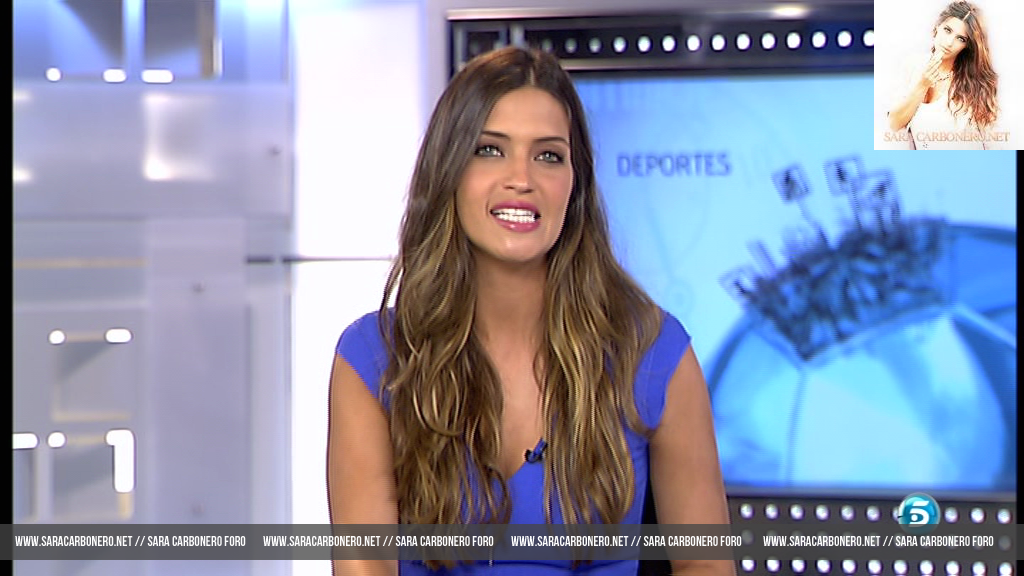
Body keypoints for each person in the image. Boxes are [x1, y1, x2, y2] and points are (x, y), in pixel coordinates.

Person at [327, 45, 734, 576]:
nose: (521, 178)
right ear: (448, 171)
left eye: (548, 156)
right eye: (490, 150)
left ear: (575, 184)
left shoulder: (654, 353)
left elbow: (707, 567)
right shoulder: (373, 359)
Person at [886, 1, 1001, 149]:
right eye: (947, 30)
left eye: (961, 38)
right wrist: (922, 85)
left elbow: (993, 144)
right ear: (937, 26)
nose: (949, 42)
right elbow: (894, 123)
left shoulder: (974, 83)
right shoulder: (912, 65)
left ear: (967, 46)